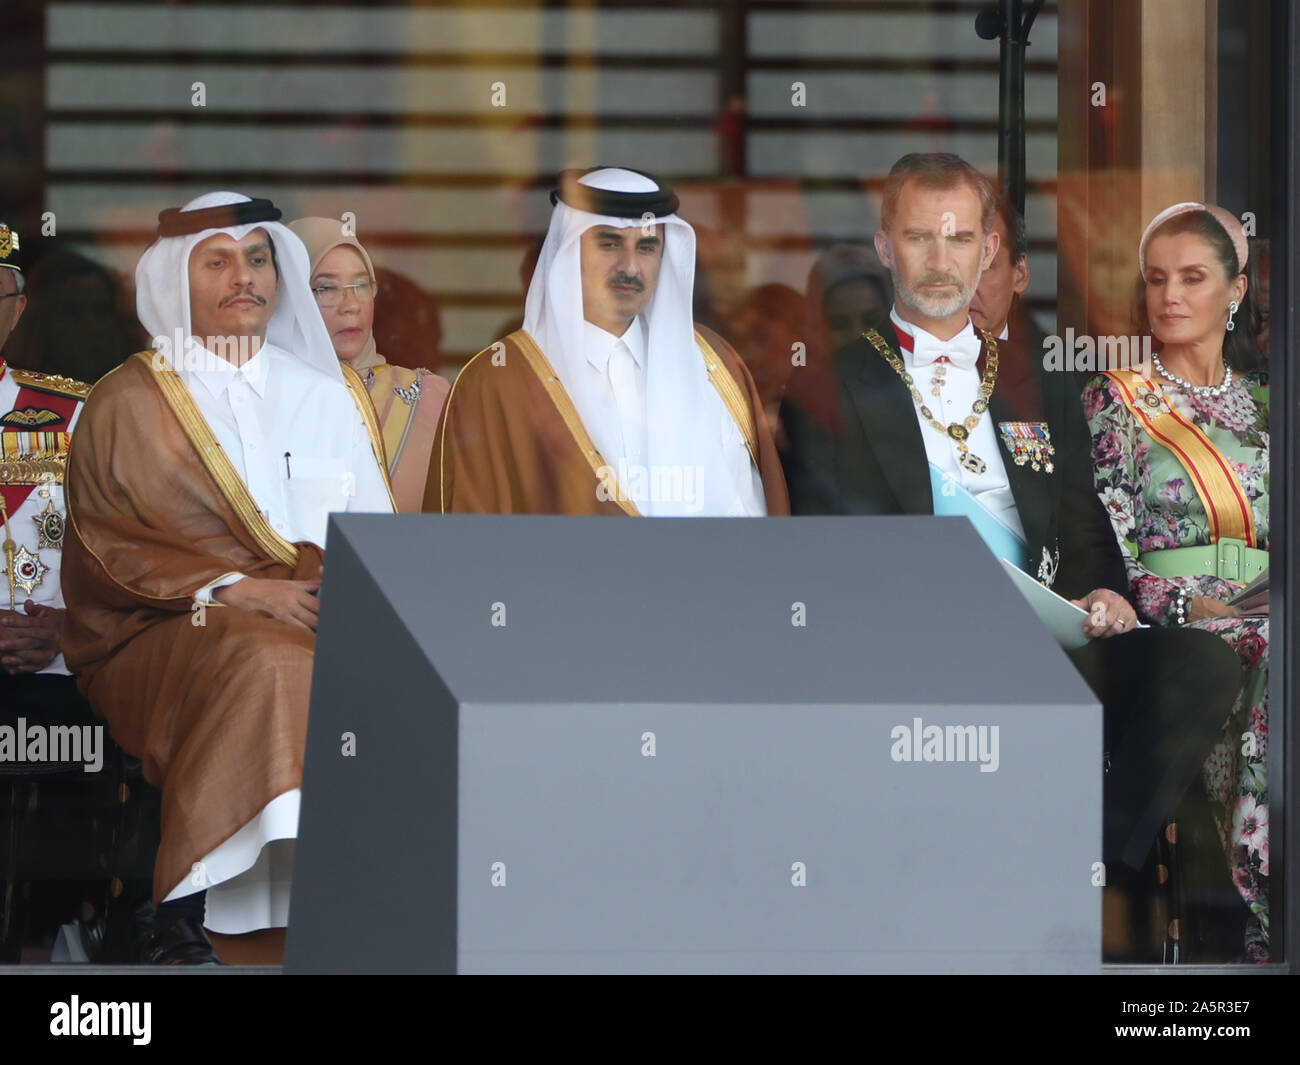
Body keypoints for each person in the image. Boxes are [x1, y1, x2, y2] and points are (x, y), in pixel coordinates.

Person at [779, 153, 1245, 960]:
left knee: (1199, 667)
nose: (940, 259)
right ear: (885, 245)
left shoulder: (1033, 382)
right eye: (920, 237)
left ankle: (1088, 860)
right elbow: (833, 547)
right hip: (919, 654)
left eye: (960, 238)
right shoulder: (834, 383)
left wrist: (1105, 591)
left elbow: (1088, 523)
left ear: (990, 248)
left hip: (1049, 643)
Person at [60, 192, 394, 964]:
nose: (243, 277)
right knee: (263, 657)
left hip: (315, 621)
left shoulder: (325, 395)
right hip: (160, 629)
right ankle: (183, 905)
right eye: (218, 261)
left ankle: (345, 911)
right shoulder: (128, 400)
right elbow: (109, 543)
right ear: (179, 279)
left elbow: (373, 535)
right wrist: (235, 589)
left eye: (257, 258)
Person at [1083, 201, 1270, 960]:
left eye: (1193, 278)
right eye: (1157, 279)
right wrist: (1194, 599)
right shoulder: (1116, 399)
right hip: (1175, 620)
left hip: (1265, 609)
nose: (1170, 296)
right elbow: (1113, 557)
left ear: (1236, 290)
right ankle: (1247, 911)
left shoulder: (1268, 404)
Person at [426, 166, 788, 516]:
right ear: (568, 252)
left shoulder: (713, 366)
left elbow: (749, 522)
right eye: (610, 243)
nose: (630, 267)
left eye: (646, 247)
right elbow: (469, 546)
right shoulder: (497, 382)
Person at [289, 217, 450, 512]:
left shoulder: (432, 398)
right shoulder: (258, 397)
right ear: (291, 297)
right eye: (326, 288)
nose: (350, 304)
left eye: (361, 285)